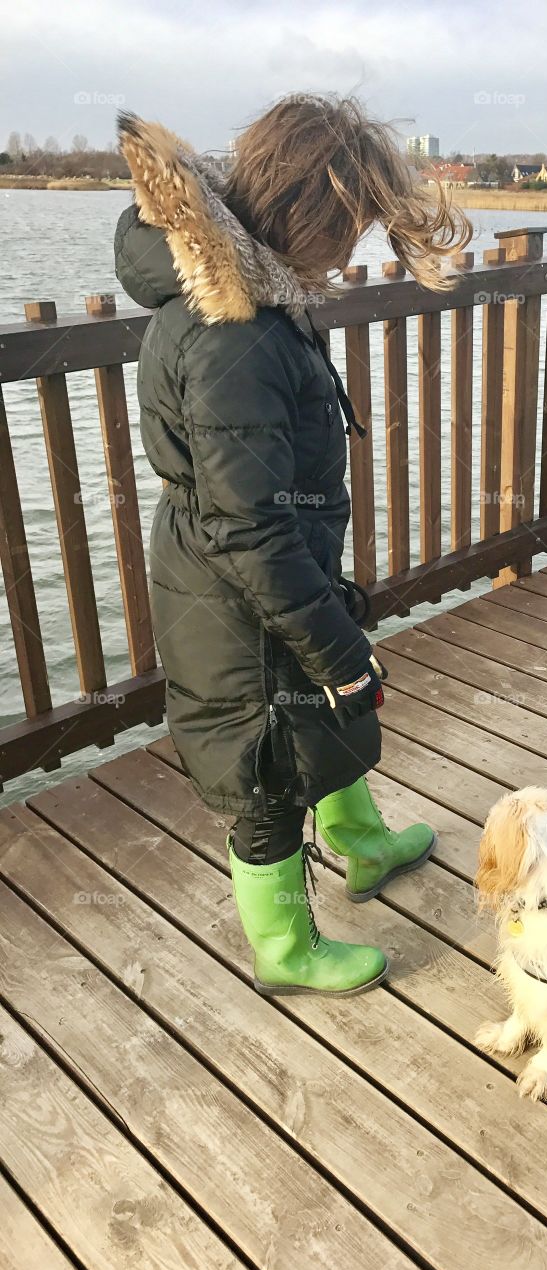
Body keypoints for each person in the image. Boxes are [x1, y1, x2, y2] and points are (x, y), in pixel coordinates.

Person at [115, 95, 470, 996]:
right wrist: (339, 651)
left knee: (325, 705)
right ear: (311, 214)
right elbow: (250, 531)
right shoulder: (231, 333)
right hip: (238, 595)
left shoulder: (253, 287)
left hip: (267, 568)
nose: (352, 248)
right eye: (349, 226)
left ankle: (359, 842)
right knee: (265, 761)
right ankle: (285, 946)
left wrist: (335, 653)